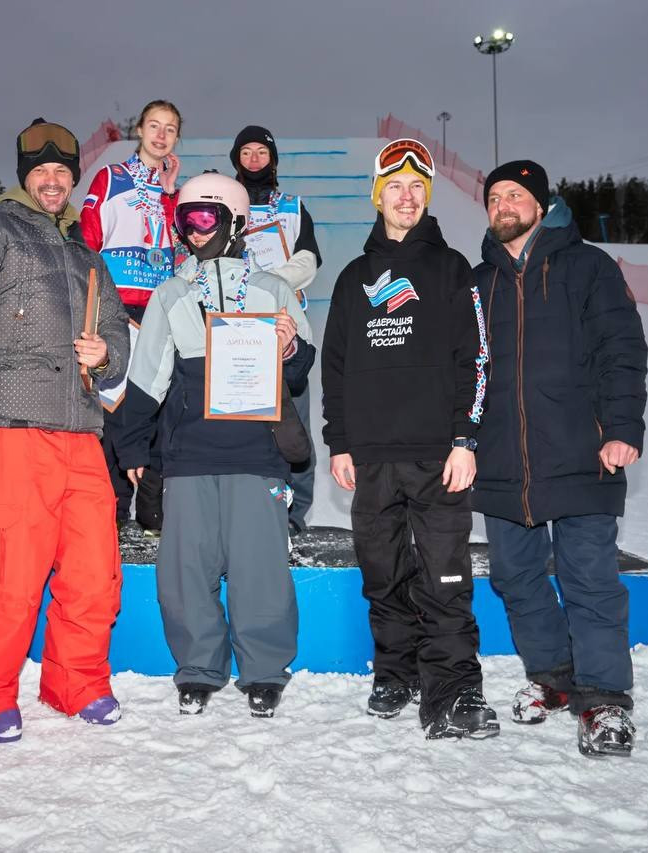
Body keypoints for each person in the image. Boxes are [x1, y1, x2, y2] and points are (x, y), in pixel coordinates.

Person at [0, 118, 131, 743]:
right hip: (12, 430)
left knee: (94, 574)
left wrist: (107, 353)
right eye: (41, 171)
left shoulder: (87, 257)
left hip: (82, 435)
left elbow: (116, 331)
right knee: (6, 574)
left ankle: (77, 683)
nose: (52, 180)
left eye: (62, 171)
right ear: (24, 177)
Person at [115, 173, 316, 718]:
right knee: (185, 571)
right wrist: (133, 450)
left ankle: (264, 669)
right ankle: (199, 667)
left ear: (235, 224)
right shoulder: (172, 294)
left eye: (206, 219)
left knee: (260, 569)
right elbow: (147, 379)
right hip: (190, 456)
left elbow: (301, 368)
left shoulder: (272, 289)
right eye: (185, 222)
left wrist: (289, 348)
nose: (194, 232)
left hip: (257, 453)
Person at [472, 159, 648, 758]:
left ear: (543, 205)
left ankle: (604, 701)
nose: (503, 205)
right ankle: (552, 675)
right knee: (515, 576)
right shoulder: (478, 282)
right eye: (494, 197)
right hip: (502, 457)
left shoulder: (588, 267)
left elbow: (622, 350)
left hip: (581, 450)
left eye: (515, 195)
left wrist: (621, 428)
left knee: (589, 578)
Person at [321, 139, 496, 740]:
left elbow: (476, 359)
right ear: (378, 196)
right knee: (384, 573)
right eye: (394, 186)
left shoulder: (452, 270)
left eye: (417, 187)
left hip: (438, 456)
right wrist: (340, 442)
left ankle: (456, 692)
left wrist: (466, 439)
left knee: (445, 576)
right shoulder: (354, 278)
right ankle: (395, 672)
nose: (406, 196)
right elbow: (336, 368)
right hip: (372, 458)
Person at [80, 99, 183, 534]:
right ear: (139, 130)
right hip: (117, 307)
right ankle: (112, 510)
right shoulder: (110, 177)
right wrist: (89, 301)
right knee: (112, 409)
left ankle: (153, 510)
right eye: (154, 126)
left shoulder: (176, 190)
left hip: (159, 310)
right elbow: (88, 238)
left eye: (170, 129)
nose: (161, 135)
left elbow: (182, 247)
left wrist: (171, 194)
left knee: (155, 407)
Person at [229, 125, 323, 533]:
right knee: (240, 423)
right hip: (236, 328)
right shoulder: (225, 200)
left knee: (293, 423)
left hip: (285, 328)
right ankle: (245, 506)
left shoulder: (292, 206)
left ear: (273, 159)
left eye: (261, 152)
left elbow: (309, 261)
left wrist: (264, 282)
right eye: (246, 152)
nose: (254, 159)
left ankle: (294, 515)